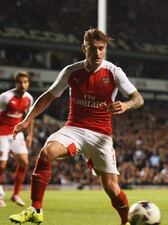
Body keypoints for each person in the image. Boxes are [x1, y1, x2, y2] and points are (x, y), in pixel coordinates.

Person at [9, 28, 144, 225]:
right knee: (47, 152)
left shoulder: (114, 72)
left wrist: (126, 105)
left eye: (101, 48)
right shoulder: (71, 71)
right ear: (84, 48)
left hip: (101, 136)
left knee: (112, 189)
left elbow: (138, 98)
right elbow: (48, 96)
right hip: (75, 129)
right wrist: (27, 120)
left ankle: (126, 221)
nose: (97, 53)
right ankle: (35, 209)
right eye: (93, 48)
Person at [0, 71, 34, 207]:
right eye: (20, 82)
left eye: (25, 82)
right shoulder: (5, 97)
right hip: (1, 134)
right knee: (1, 166)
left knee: (24, 163)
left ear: (28, 83)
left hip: (17, 134)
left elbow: (30, 117)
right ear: (15, 83)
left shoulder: (29, 98)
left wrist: (30, 134)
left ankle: (16, 194)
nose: (23, 84)